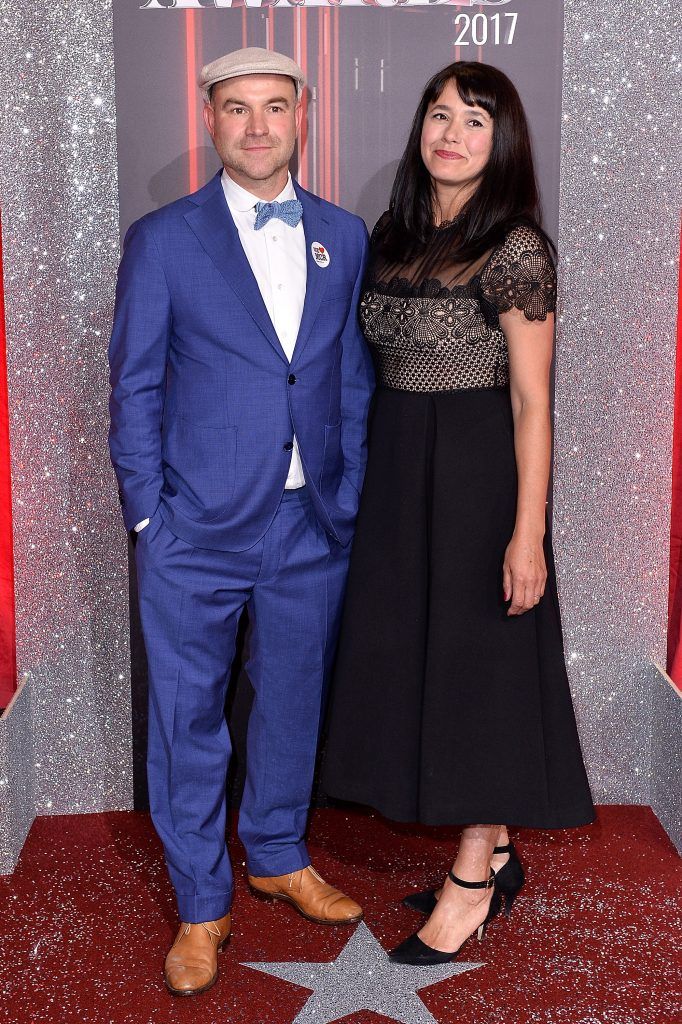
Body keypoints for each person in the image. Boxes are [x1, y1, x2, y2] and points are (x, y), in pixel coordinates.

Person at [108, 47, 374, 997]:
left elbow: (346, 378)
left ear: (301, 117)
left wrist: (345, 500)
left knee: (294, 702)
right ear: (210, 121)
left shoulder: (343, 237)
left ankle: (276, 852)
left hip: (311, 524)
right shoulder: (165, 238)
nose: (257, 127)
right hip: (194, 532)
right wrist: (150, 520)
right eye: (236, 109)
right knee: (188, 721)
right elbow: (134, 385)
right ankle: (199, 903)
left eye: (274, 108)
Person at [322, 61, 595, 966]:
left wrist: (527, 532)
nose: (452, 134)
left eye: (475, 121)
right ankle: (503, 846)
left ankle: (472, 877)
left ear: (501, 141)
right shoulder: (391, 234)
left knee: (480, 675)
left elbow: (531, 402)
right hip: (402, 476)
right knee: (420, 666)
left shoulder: (517, 249)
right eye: (440, 115)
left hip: (481, 480)